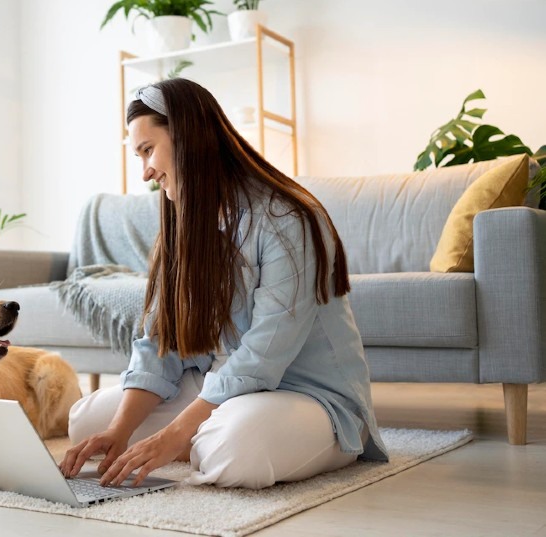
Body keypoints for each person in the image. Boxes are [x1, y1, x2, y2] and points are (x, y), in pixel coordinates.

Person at [59, 78, 389, 490]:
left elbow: (264, 354)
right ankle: (199, 438)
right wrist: (119, 431)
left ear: (187, 138)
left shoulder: (287, 219)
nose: (145, 171)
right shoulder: (184, 224)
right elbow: (159, 343)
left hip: (307, 395)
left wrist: (175, 432)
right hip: (225, 388)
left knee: (235, 450)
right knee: (86, 422)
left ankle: (205, 441)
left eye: (148, 150)